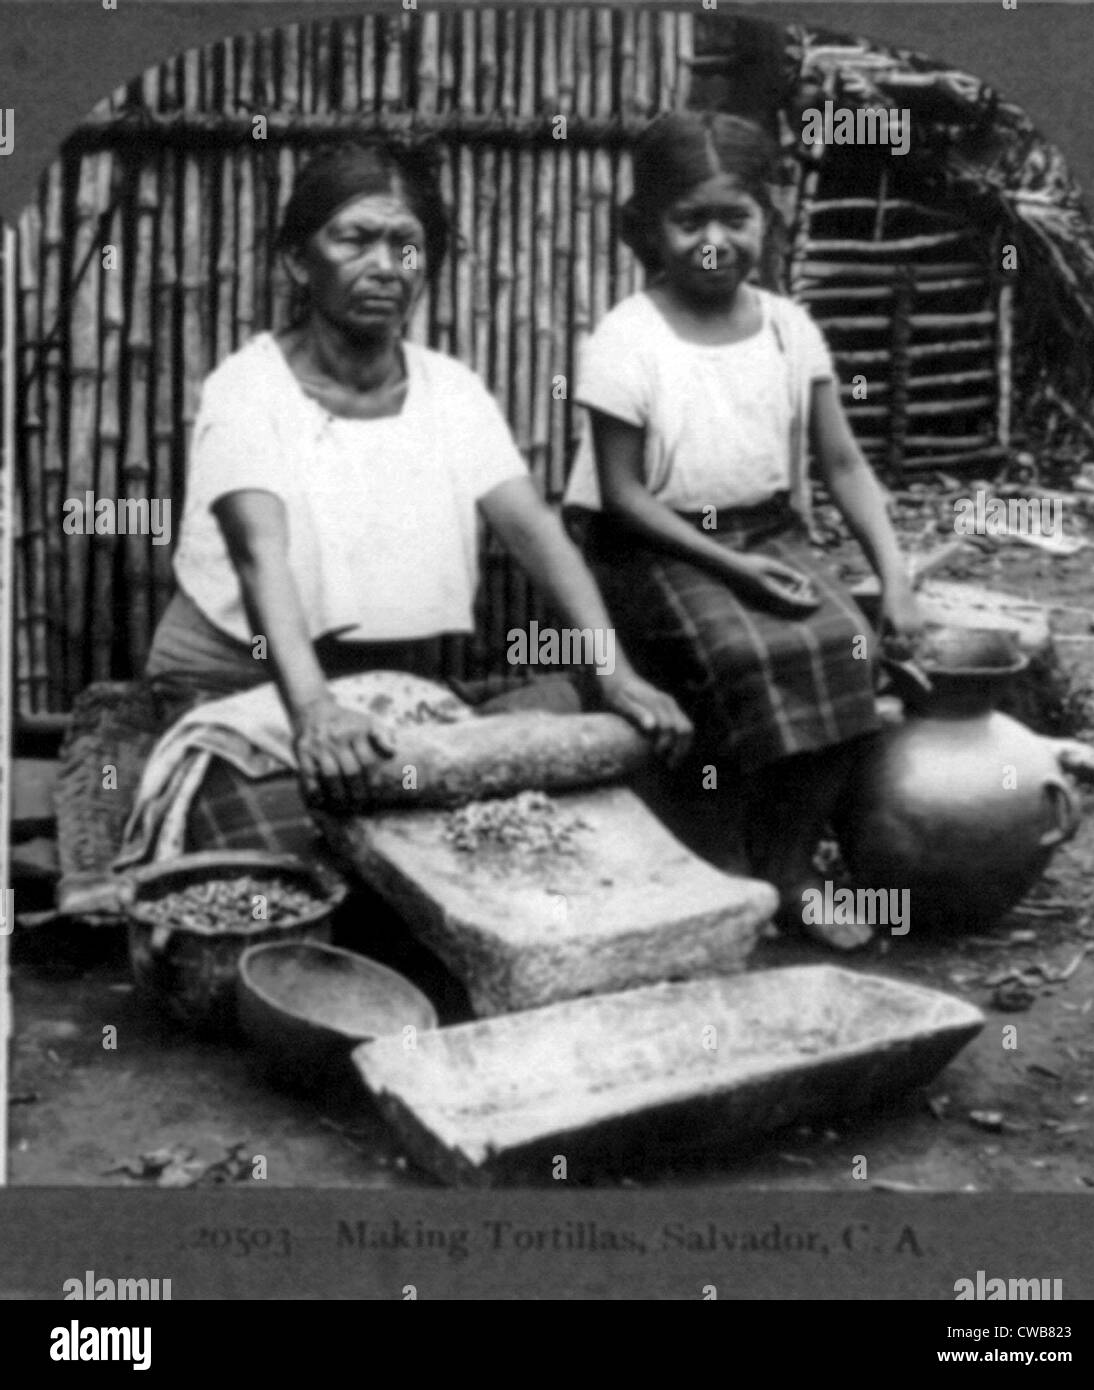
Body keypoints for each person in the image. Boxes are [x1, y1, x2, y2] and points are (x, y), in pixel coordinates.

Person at [144, 140, 690, 842]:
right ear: (296, 260)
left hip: (388, 691)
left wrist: (616, 674)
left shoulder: (451, 393)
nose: (383, 266)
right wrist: (312, 710)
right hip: (242, 686)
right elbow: (260, 557)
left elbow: (536, 533)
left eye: (405, 244)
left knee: (500, 820)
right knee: (303, 850)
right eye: (354, 239)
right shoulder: (248, 391)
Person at [563, 111, 924, 950]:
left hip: (765, 532)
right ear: (648, 229)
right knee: (744, 655)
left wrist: (896, 579)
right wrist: (735, 568)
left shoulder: (790, 328)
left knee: (850, 647)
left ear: (772, 221)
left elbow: (841, 465)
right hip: (648, 541)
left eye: (738, 217)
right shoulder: (628, 338)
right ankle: (722, 866)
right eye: (690, 221)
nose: (714, 241)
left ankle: (788, 870)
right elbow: (619, 495)